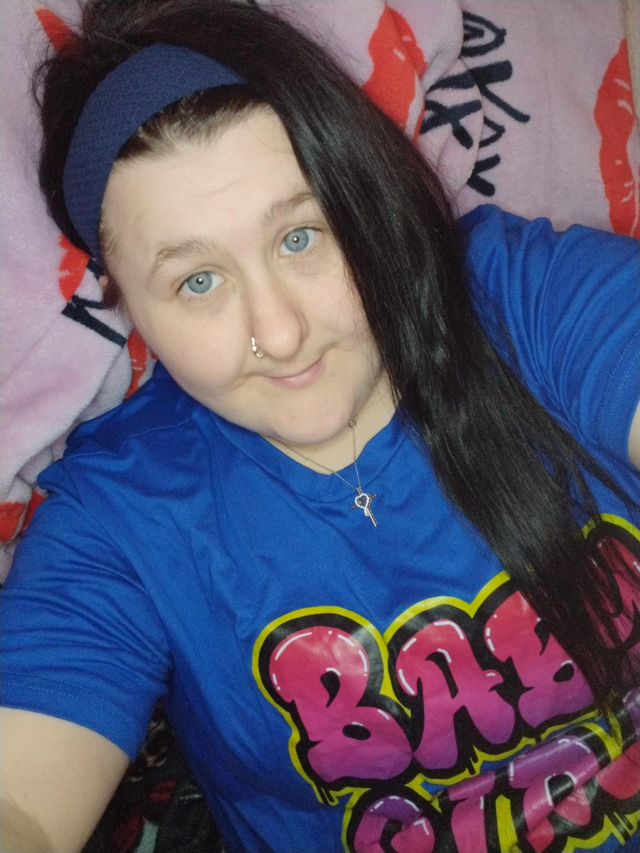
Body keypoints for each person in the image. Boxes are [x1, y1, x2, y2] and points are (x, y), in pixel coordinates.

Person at [1, 0, 639, 850]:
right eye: (197, 282)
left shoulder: (531, 304)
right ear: (126, 304)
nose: (280, 332)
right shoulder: (122, 516)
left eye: (302, 236)